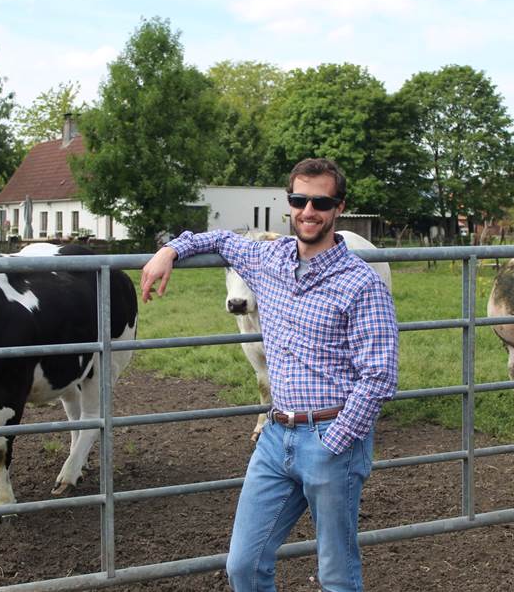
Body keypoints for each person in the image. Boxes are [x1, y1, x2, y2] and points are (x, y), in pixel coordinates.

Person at [140, 157, 399, 592]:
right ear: (289, 203)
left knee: (336, 572)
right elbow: (221, 238)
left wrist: (334, 441)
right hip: (276, 437)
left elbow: (380, 375)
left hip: (331, 435)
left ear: (339, 207)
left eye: (321, 201)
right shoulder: (267, 257)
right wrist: (170, 250)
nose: (308, 210)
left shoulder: (361, 282)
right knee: (243, 563)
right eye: (299, 199)